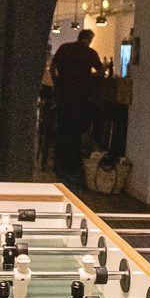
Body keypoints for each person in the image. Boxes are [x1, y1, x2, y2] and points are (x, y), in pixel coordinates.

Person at [49, 28, 103, 183]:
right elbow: (101, 71)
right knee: (75, 132)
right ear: (89, 39)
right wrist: (87, 78)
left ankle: (58, 166)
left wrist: (57, 83)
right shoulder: (90, 53)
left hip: (63, 96)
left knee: (62, 130)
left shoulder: (64, 48)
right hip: (80, 98)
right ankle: (72, 167)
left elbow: (53, 68)